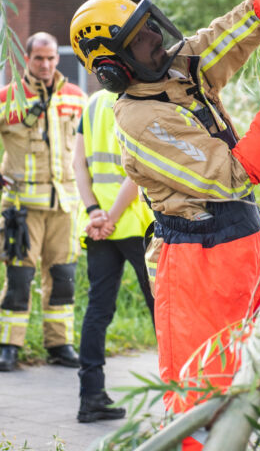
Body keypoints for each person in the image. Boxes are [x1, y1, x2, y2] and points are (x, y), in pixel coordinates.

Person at [69, 0, 260, 450]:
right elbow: (232, 177)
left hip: (245, 236)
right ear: (115, 67)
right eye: (141, 39)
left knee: (249, 370)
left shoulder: (174, 66)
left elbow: (239, 26)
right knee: (198, 392)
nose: (155, 39)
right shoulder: (139, 118)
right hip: (197, 259)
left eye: (150, 26)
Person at [0, 32, 86, 372]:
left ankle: (60, 344)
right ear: (27, 60)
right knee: (19, 278)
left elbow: (89, 144)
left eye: (51, 58)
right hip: (22, 208)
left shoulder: (77, 98)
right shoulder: (8, 99)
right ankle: (9, 347)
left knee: (63, 277)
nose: (46, 65)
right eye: (39, 59)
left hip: (66, 207)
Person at [72, 87, 155, 423]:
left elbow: (78, 163)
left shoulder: (91, 104)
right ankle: (184, 393)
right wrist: (114, 217)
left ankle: (90, 397)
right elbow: (138, 168)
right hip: (133, 222)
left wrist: (95, 212)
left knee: (97, 309)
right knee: (161, 307)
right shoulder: (137, 101)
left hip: (97, 224)